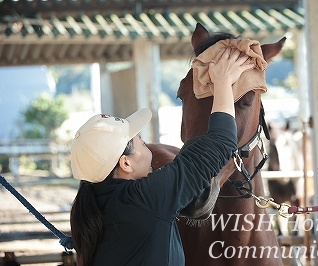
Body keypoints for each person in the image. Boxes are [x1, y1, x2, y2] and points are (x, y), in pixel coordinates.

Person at [69, 47, 254, 266]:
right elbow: (221, 142)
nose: (145, 144)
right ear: (125, 163)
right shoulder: (145, 199)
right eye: (141, 141)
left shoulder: (92, 203)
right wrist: (223, 82)